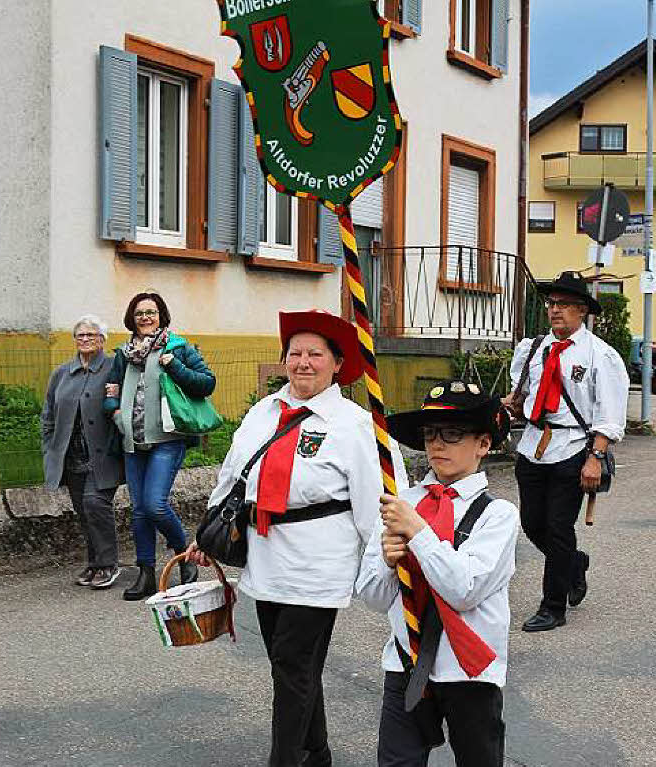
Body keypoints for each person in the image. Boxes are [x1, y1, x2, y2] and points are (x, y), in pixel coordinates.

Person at [189, 309, 405, 767]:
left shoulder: (355, 425)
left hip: (318, 564)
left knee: (292, 668)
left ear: (337, 364)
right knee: (291, 668)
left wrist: (390, 564)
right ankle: (317, 752)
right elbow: (232, 478)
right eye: (295, 353)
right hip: (264, 557)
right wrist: (204, 536)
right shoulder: (263, 411)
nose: (303, 362)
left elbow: (376, 505)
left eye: (315, 354)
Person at [357, 381, 519, 767]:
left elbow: (464, 589)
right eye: (430, 435)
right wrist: (387, 561)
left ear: (483, 443)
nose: (437, 445)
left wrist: (418, 533)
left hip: (469, 670)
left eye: (452, 434)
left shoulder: (498, 516)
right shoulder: (402, 503)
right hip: (406, 663)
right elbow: (373, 597)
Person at [504, 271, 629, 633]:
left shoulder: (599, 355)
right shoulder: (534, 348)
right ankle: (573, 564)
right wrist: (511, 405)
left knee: (558, 528)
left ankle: (553, 605)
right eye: (552, 304)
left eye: (563, 305)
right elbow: (522, 393)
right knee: (531, 524)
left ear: (581, 311)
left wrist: (596, 457)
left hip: (574, 446)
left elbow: (609, 413)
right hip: (533, 445)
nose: (555, 311)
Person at [104, 291, 216, 600]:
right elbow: (111, 386)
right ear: (132, 318)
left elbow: (207, 382)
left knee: (154, 504)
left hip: (167, 439)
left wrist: (174, 366)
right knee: (139, 511)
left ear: (161, 315)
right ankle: (146, 573)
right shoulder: (124, 353)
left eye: (151, 312)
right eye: (139, 313)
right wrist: (114, 410)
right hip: (133, 441)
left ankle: (184, 554)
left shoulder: (177, 347)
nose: (145, 317)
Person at [41, 316, 124, 589]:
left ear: (102, 339)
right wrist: (48, 447)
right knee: (83, 510)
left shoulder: (114, 368)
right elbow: (48, 415)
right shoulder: (62, 373)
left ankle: (108, 564)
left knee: (95, 504)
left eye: (92, 334)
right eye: (80, 335)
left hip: (103, 455)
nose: (86, 339)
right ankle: (94, 563)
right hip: (71, 455)